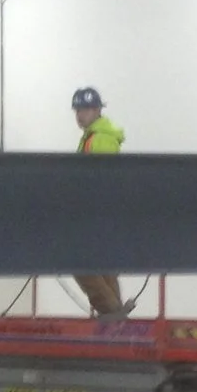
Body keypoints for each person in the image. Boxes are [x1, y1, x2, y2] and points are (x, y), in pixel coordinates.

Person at [69, 86, 129, 318]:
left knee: (79, 261)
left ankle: (112, 311)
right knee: (102, 264)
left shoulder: (100, 139)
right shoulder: (94, 137)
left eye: (84, 110)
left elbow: (99, 180)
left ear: (96, 110)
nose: (79, 115)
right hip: (101, 214)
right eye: (77, 110)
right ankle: (115, 312)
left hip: (95, 212)